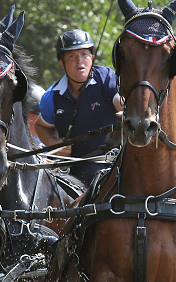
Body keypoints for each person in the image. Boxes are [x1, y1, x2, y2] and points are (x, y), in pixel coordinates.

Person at [35, 29, 122, 185]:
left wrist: (126, 108)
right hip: (71, 174)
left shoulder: (107, 78)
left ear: (92, 58)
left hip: (111, 166)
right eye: (71, 56)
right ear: (62, 63)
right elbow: (41, 126)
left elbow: (120, 101)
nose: (79, 61)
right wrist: (55, 145)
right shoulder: (51, 96)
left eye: (84, 54)